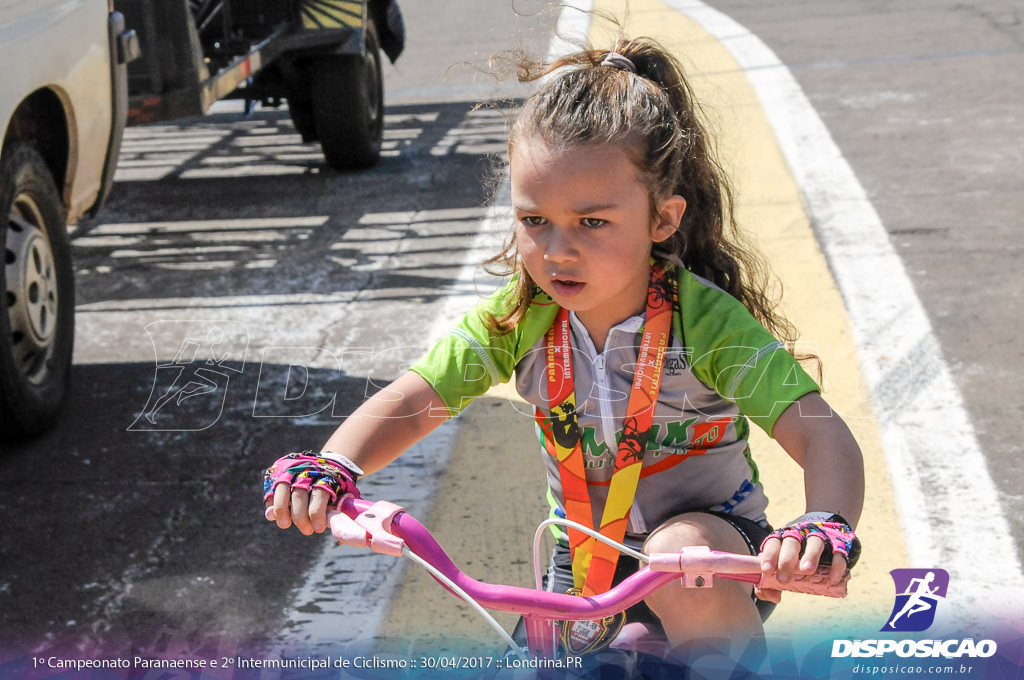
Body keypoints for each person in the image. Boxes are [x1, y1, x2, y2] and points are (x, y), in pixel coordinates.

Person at [263, 35, 864, 664]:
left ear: (663, 220)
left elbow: (822, 432)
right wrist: (334, 465)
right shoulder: (522, 317)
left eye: (593, 222)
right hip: (580, 563)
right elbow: (417, 399)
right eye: (534, 221)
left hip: (711, 548)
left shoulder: (706, 323)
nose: (557, 252)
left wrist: (824, 522)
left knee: (677, 557)